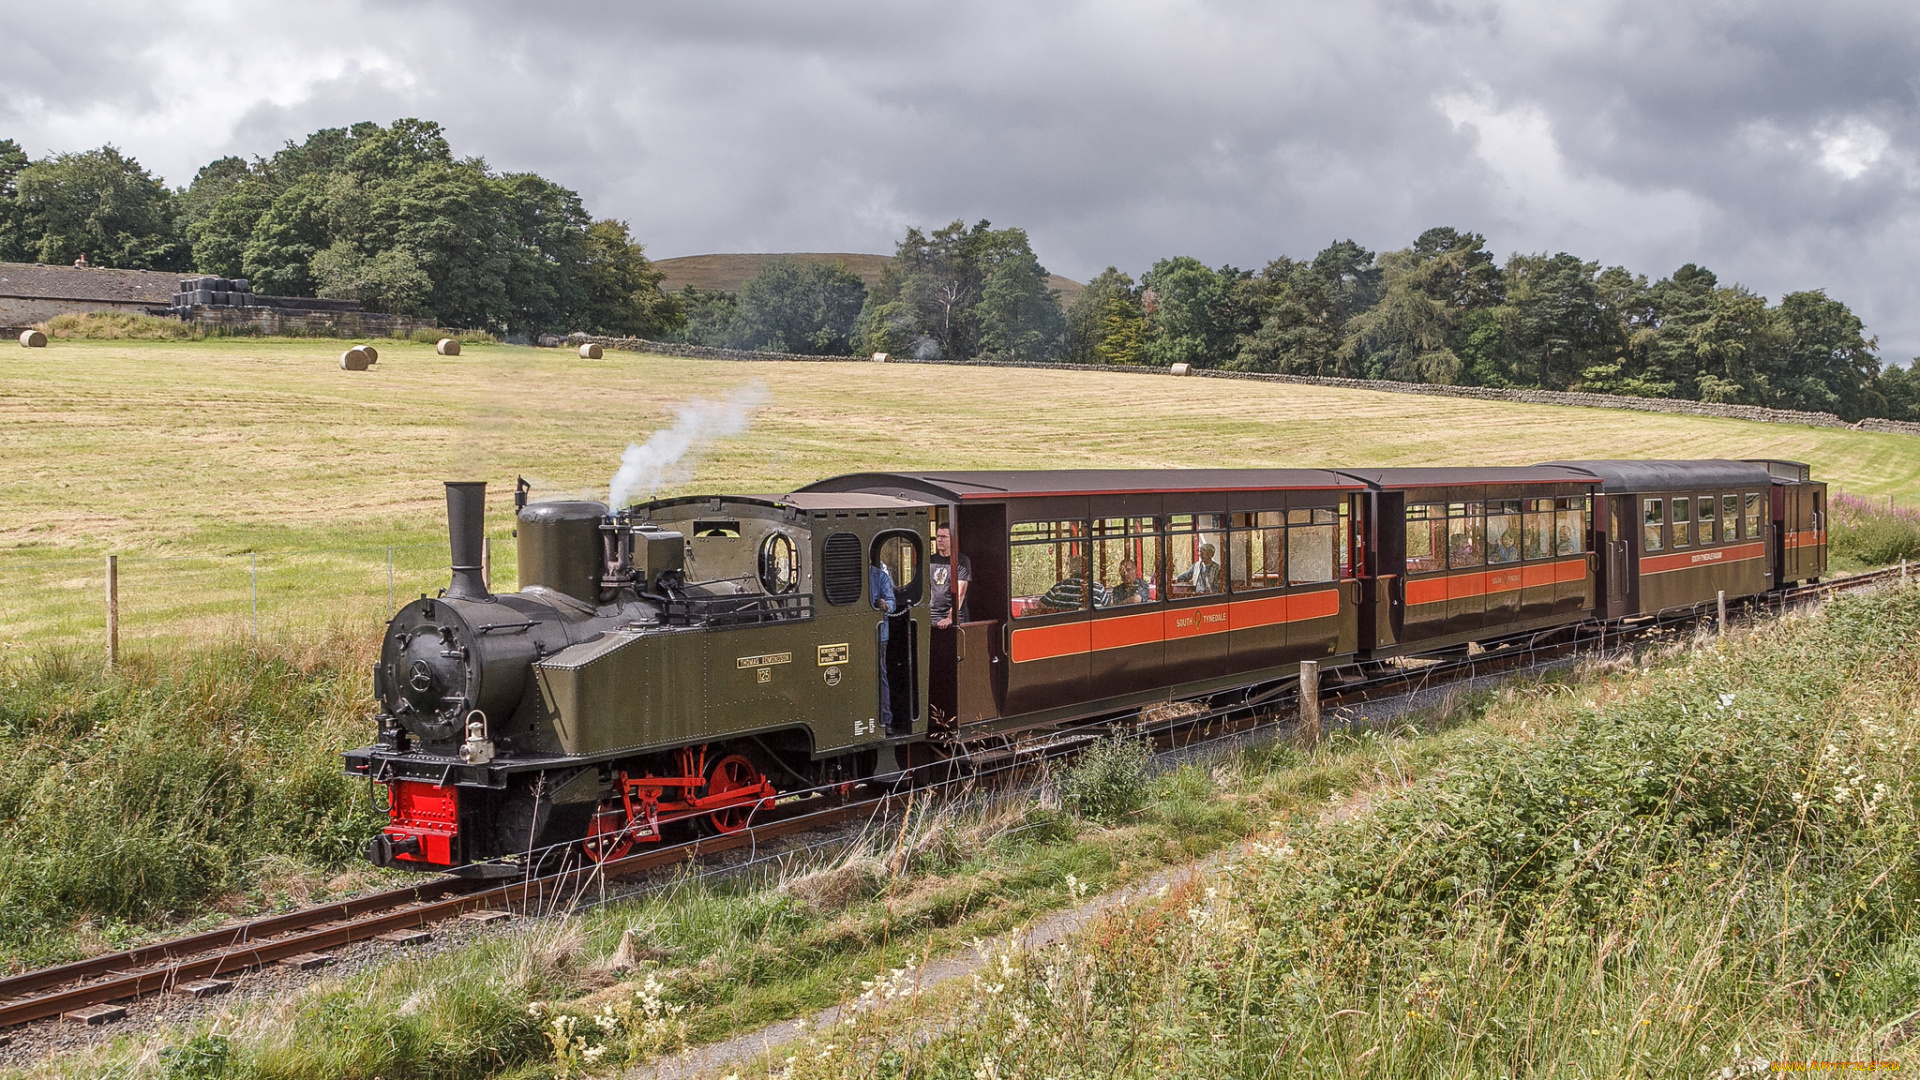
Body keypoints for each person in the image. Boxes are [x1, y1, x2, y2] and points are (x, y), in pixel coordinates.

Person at [870, 561, 897, 729]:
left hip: (879, 636)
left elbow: (891, 603)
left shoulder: (880, 576)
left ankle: (885, 719)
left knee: (881, 675)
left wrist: (885, 606)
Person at [930, 524, 971, 628]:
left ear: (952, 539)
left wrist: (950, 617)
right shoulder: (930, 561)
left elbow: (960, 593)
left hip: (956, 617)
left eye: (943, 537)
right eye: (938, 536)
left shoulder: (961, 561)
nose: (939, 540)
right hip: (933, 615)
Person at [1041, 555, 1110, 611]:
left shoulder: (1060, 586)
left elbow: (1042, 604)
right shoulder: (1097, 588)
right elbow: (1108, 606)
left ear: (1071, 570)